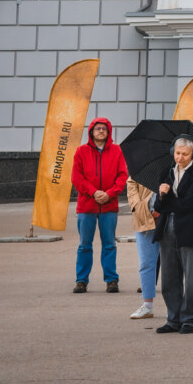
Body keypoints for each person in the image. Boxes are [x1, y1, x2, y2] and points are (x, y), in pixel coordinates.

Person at [153, 136, 193, 333]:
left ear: (192, 154)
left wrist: (168, 198)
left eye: (185, 154)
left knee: (192, 278)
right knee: (169, 277)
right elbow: (158, 206)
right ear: (173, 152)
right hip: (167, 227)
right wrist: (162, 194)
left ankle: (191, 319)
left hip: (191, 228)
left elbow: (191, 203)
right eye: (177, 153)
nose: (180, 157)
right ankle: (173, 318)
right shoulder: (166, 172)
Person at [70, 116, 126, 294]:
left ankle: (111, 280)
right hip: (87, 206)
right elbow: (76, 177)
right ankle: (81, 281)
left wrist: (109, 194)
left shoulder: (117, 151)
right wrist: (94, 192)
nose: (101, 131)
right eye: (97, 128)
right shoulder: (81, 151)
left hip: (109, 206)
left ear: (108, 132)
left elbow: (122, 176)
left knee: (109, 244)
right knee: (85, 245)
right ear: (91, 132)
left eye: (104, 128)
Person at [125, 177, 161, 319]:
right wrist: (138, 206)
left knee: (175, 264)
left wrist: (162, 206)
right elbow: (131, 182)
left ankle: (178, 306)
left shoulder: (176, 160)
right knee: (146, 263)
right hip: (144, 216)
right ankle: (147, 305)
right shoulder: (142, 160)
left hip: (169, 218)